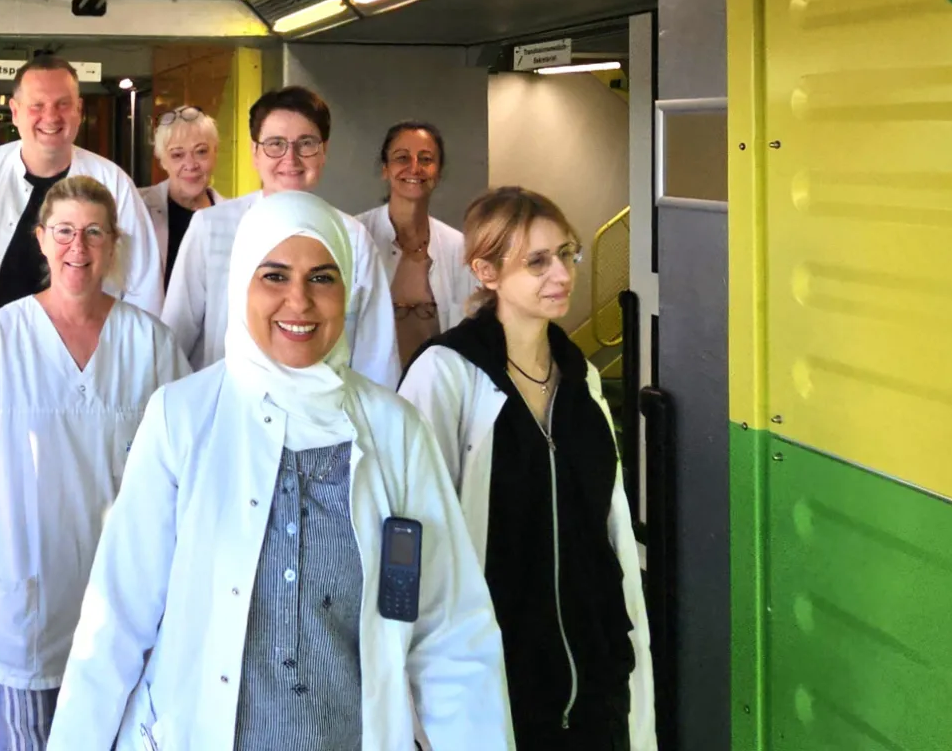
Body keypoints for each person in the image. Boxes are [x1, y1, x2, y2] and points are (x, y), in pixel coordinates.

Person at [50, 191, 513, 750]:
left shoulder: (397, 432)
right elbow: (116, 620)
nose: (299, 301)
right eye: (274, 276)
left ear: (348, 291)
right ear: (240, 284)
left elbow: (451, 635)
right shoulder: (183, 418)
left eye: (322, 278)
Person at [397, 187, 654, 751]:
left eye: (566, 254)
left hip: (597, 675)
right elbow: (414, 537)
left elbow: (606, 525)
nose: (561, 274)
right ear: (486, 271)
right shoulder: (447, 375)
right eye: (537, 262)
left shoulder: (580, 376)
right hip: (500, 680)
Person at [0, 175, 192, 750]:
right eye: (64, 232)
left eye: (94, 233)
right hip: (25, 602)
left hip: (128, 601)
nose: (78, 247)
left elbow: (183, 478)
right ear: (41, 239)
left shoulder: (152, 344)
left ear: (114, 243)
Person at [161, 86, 400, 387]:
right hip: (229, 404)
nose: (291, 158)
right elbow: (173, 342)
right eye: (275, 144)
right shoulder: (211, 227)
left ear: (324, 152)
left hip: (325, 408)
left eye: (306, 144)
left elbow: (376, 354)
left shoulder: (353, 238)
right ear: (254, 152)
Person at [0, 55, 163, 316]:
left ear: (79, 110)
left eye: (63, 104)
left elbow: (144, 285)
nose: (50, 117)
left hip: (91, 340)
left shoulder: (114, 183)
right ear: (15, 112)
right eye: (37, 105)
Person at [353, 121, 477, 365]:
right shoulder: (355, 236)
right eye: (402, 158)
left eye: (426, 159)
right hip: (369, 385)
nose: (414, 168)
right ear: (385, 169)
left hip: (438, 385)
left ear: (438, 172)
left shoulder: (458, 248)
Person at [137, 105, 221, 285]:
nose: (190, 165)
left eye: (201, 152)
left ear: (215, 152)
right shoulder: (137, 208)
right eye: (177, 155)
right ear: (162, 160)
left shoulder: (236, 216)